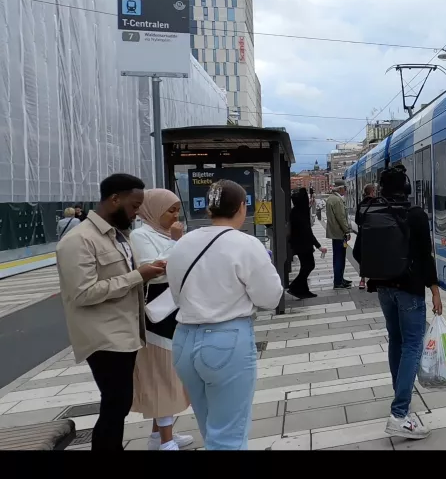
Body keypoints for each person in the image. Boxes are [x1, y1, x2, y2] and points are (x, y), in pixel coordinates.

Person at [167, 180, 283, 450]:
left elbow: (176, 296)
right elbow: (270, 297)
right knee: (229, 435)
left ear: (209, 209)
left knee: (211, 428)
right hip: (226, 340)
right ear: (242, 207)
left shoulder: (182, 243)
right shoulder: (246, 244)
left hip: (184, 340)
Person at [56, 173, 166, 451]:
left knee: (118, 403)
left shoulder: (118, 236)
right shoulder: (78, 240)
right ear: (114, 199)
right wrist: (137, 277)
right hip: (102, 337)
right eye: (134, 205)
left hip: (124, 332)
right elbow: (82, 293)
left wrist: (147, 274)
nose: (137, 211)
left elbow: (122, 278)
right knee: (116, 402)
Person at [353, 165, 442, 440]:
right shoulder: (415, 215)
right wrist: (435, 289)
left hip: (383, 289)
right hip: (409, 290)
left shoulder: (372, 212)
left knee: (397, 341)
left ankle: (400, 402)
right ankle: (400, 413)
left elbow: (357, 251)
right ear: (406, 188)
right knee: (413, 344)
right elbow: (425, 257)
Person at [129, 189, 193, 451]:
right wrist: (178, 243)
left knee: (171, 373)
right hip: (157, 315)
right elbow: (152, 270)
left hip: (174, 311)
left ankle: (160, 435)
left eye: (177, 209)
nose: (175, 215)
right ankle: (165, 441)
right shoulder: (140, 235)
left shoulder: (162, 234)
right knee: (161, 376)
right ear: (154, 211)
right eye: (170, 210)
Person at [287, 187, 325, 299]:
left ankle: (303, 290)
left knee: (305, 266)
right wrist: (319, 246)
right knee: (309, 265)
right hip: (303, 245)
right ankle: (294, 287)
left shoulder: (296, 211)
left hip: (299, 244)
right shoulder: (301, 213)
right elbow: (308, 232)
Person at [325, 179, 352, 289]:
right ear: (340, 188)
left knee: (338, 257)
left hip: (334, 232)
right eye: (344, 188)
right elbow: (341, 218)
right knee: (340, 258)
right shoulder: (337, 200)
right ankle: (338, 282)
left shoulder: (331, 199)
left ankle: (340, 279)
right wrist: (347, 231)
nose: (345, 191)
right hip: (339, 233)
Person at [355, 184, 376, 290]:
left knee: (360, 255)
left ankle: (362, 279)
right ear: (372, 192)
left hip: (363, 235)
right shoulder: (377, 203)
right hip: (375, 236)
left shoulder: (361, 204)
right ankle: (374, 278)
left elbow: (357, 221)